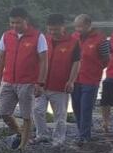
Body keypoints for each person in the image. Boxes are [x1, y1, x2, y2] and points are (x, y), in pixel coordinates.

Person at [0, 7, 48, 152]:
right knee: (3, 112)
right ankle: (20, 133)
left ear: (26, 21)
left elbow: (43, 61)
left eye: (18, 22)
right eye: (12, 22)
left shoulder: (38, 36)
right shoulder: (6, 35)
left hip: (28, 82)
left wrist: (40, 83)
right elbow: (1, 57)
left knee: (26, 115)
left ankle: (23, 147)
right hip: (8, 80)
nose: (15, 25)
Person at [33, 14, 80, 145]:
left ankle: (59, 138)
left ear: (63, 27)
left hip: (60, 85)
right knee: (37, 110)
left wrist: (71, 81)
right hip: (41, 84)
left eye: (56, 29)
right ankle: (42, 134)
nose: (53, 32)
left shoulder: (73, 42)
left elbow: (76, 63)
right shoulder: (43, 39)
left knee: (60, 115)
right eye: (50, 29)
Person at [71, 14, 109, 143]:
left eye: (80, 27)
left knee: (86, 108)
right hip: (75, 79)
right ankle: (81, 132)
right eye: (76, 27)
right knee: (76, 107)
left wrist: (96, 69)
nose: (78, 29)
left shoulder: (101, 39)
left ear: (88, 25)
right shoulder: (74, 37)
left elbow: (106, 59)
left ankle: (84, 136)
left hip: (91, 80)